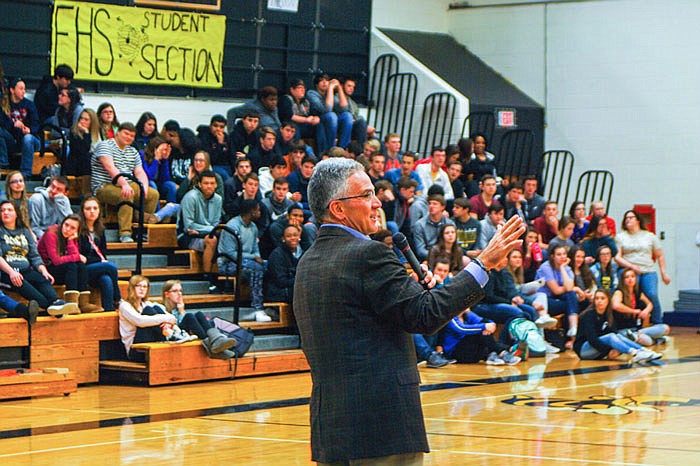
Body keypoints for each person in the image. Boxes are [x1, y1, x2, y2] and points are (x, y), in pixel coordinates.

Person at [293, 157, 525, 465]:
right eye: (365, 195)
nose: (377, 203)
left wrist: (408, 286)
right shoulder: (370, 254)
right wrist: (482, 265)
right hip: (382, 428)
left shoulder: (308, 261)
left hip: (332, 430)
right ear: (338, 208)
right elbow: (424, 315)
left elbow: (364, 319)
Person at [0, 201, 75, 315]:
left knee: (43, 279)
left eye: (10, 210)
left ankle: (56, 302)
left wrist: (43, 270)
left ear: (16, 214)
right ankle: (52, 308)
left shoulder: (25, 231)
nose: (5, 212)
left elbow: (34, 255)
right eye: (2, 210)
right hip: (7, 272)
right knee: (24, 285)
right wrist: (11, 272)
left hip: (26, 269)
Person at [92, 122, 160, 243]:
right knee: (127, 194)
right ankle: (125, 233)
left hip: (128, 183)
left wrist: (143, 186)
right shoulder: (105, 145)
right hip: (104, 185)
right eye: (126, 134)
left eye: (132, 136)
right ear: (118, 132)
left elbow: (140, 172)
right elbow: (110, 168)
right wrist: (124, 185)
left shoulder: (133, 151)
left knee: (153, 194)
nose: (128, 137)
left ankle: (141, 229)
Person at [218, 199, 272, 322]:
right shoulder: (232, 226)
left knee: (270, 265)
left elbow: (255, 249)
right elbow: (230, 253)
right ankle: (257, 308)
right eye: (258, 210)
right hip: (228, 264)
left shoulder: (253, 227)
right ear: (251, 212)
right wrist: (253, 257)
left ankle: (270, 303)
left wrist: (256, 257)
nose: (260, 212)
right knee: (256, 268)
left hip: (246, 261)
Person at [37, 214, 103, 313]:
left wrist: (70, 241)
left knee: (80, 266)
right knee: (71, 265)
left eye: (72, 228)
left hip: (61, 269)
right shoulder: (51, 234)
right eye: (66, 225)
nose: (67, 229)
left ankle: (84, 303)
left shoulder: (71, 237)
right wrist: (78, 257)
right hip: (47, 270)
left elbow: (76, 257)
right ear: (62, 223)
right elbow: (56, 260)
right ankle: (71, 303)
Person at [614, 209, 670, 325]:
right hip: (629, 271)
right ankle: (629, 323)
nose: (628, 220)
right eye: (626, 218)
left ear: (638, 220)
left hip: (648, 270)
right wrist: (632, 267)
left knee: (652, 294)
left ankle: (657, 323)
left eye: (631, 217)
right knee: (630, 295)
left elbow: (660, 255)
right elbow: (617, 257)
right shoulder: (620, 237)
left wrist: (664, 273)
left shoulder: (650, 236)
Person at [574, 290, 662, 362]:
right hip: (583, 350)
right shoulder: (589, 315)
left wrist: (615, 349)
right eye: (597, 298)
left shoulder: (609, 315)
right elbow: (592, 339)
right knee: (611, 337)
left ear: (608, 300)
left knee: (618, 335)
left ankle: (643, 350)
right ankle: (635, 353)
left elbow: (614, 333)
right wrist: (608, 351)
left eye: (602, 298)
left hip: (597, 349)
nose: (599, 301)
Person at [160, 279, 238, 359]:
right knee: (189, 316)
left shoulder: (178, 308)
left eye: (180, 291)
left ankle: (216, 339)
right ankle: (212, 345)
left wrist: (181, 311)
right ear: (167, 294)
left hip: (185, 333)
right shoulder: (161, 308)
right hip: (174, 336)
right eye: (175, 291)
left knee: (199, 314)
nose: (179, 294)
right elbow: (174, 328)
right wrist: (182, 312)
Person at [177, 170, 222, 293]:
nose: (209, 186)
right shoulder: (190, 197)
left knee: (221, 239)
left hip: (203, 234)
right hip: (186, 237)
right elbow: (189, 225)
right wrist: (211, 230)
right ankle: (208, 279)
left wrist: (206, 230)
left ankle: (224, 277)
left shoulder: (218, 199)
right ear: (200, 184)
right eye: (206, 183)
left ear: (216, 185)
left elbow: (216, 223)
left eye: (212, 183)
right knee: (212, 240)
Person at [118, 275, 181, 359]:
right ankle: (173, 336)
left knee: (156, 308)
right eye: (138, 286)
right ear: (132, 288)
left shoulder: (146, 303)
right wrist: (166, 319)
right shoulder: (125, 305)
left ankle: (178, 334)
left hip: (152, 341)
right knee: (149, 310)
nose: (142, 289)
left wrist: (169, 323)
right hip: (135, 350)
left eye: (145, 286)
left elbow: (171, 317)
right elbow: (140, 321)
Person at [78, 197, 121, 312]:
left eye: (95, 208)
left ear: (99, 211)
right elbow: (80, 257)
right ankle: (118, 299)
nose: (92, 211)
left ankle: (109, 310)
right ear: (82, 211)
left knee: (106, 279)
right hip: (82, 270)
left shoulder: (100, 229)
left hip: (96, 266)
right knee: (111, 267)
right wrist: (97, 261)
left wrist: (97, 261)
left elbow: (103, 253)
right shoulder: (78, 229)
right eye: (88, 208)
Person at [535, 244, 580, 348]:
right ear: (552, 256)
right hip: (544, 300)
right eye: (559, 254)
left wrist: (563, 268)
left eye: (564, 254)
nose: (562, 257)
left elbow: (568, 288)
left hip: (558, 299)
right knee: (572, 300)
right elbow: (556, 290)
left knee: (572, 296)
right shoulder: (545, 267)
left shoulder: (567, 268)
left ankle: (573, 329)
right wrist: (573, 288)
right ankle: (573, 336)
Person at [611, 268, 670, 346]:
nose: (630, 279)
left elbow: (650, 304)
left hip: (637, 330)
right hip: (622, 330)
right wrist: (633, 311)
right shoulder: (619, 292)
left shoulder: (637, 292)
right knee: (646, 340)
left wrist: (646, 311)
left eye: (632, 276)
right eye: (627, 277)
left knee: (665, 328)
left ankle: (640, 336)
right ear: (622, 280)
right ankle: (656, 340)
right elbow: (615, 305)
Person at [4, 78, 40, 177]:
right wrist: (13, 124)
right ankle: (3, 164)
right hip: (12, 139)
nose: (23, 91)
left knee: (27, 139)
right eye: (21, 88)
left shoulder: (29, 105)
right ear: (12, 90)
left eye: (24, 89)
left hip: (31, 139)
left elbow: (36, 124)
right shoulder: (4, 105)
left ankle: (26, 173)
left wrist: (29, 130)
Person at [264, 224, 302, 304]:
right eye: (288, 236)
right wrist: (302, 281)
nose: (292, 238)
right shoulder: (277, 255)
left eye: (295, 235)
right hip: (279, 292)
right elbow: (281, 281)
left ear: (299, 236)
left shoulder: (303, 252)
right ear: (283, 239)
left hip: (295, 287)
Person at [66, 108, 100, 197]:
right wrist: (86, 133)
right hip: (76, 165)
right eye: (81, 118)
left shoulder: (97, 134)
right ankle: (87, 194)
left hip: (92, 165)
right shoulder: (74, 133)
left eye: (86, 119)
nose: (82, 121)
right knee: (88, 157)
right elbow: (83, 150)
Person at [28, 175, 73, 240]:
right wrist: (50, 239)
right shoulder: (37, 199)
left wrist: (59, 204)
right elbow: (34, 227)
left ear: (66, 193)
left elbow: (67, 225)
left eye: (59, 189)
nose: (54, 191)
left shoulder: (64, 200)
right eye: (53, 186)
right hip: (40, 237)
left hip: (58, 237)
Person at [413, 194, 454, 262]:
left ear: (442, 207)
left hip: (447, 256)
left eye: (435, 204)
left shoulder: (450, 224)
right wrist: (436, 257)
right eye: (429, 204)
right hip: (428, 257)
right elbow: (420, 250)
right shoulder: (420, 224)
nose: (431, 206)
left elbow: (455, 244)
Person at [141, 136, 178, 205]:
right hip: (146, 184)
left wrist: (165, 160)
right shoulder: (142, 156)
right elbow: (148, 177)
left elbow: (165, 179)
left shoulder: (163, 159)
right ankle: (157, 214)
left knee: (171, 185)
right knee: (152, 184)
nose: (164, 152)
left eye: (166, 149)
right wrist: (156, 160)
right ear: (155, 149)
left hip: (159, 185)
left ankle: (171, 210)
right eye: (162, 150)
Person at [198, 114, 233, 179]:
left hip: (226, 166)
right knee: (222, 173)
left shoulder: (227, 138)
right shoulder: (204, 137)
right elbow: (211, 159)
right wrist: (220, 144)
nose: (218, 129)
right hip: (212, 166)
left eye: (221, 127)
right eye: (215, 126)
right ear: (210, 126)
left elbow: (232, 155)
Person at [568, 245, 596, 311]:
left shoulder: (585, 269)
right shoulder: (567, 271)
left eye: (582, 257)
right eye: (578, 257)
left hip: (589, 297)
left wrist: (592, 295)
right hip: (577, 300)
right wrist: (584, 295)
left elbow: (593, 285)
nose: (580, 259)